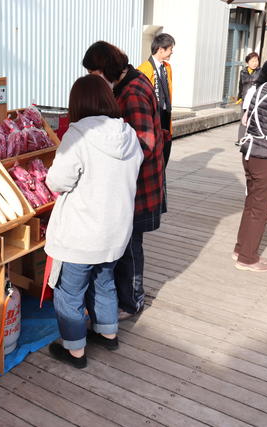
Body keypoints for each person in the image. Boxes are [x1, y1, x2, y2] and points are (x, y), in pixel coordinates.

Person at [44, 75, 143, 368]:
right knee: (104, 282)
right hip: (115, 232)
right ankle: (107, 333)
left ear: (78, 103)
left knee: (69, 292)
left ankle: (75, 350)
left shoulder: (78, 135)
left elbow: (58, 181)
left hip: (81, 234)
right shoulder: (128, 134)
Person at [83, 41, 166, 320]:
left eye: (94, 73)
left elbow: (145, 143)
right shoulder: (130, 81)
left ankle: (131, 303)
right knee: (127, 244)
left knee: (130, 248)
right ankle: (125, 297)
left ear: (106, 69)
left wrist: (109, 162)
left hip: (137, 187)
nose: (93, 80)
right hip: (133, 185)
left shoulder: (131, 93)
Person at [234, 56, 267, 272]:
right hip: (265, 156)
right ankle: (247, 258)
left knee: (251, 203)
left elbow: (245, 120)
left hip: (250, 153)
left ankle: (240, 248)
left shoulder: (263, 87)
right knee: (261, 209)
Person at [137, 33, 175, 166]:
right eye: (170, 49)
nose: (172, 52)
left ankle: (162, 185)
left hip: (165, 116)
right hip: (153, 119)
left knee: (165, 155)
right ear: (161, 50)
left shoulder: (167, 68)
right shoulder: (144, 69)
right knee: (153, 160)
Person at [237, 52, 261, 141]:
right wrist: (239, 97)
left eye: (256, 61)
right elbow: (241, 85)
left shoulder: (261, 72)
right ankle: (240, 139)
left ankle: (251, 138)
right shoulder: (243, 72)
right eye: (253, 61)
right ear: (247, 62)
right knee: (243, 119)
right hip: (245, 99)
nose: (255, 63)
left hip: (255, 99)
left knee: (254, 119)